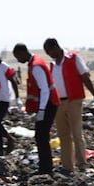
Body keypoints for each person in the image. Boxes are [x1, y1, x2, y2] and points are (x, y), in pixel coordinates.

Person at [43, 38, 94, 173]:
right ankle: (67, 166)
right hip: (58, 103)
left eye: (50, 51)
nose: (49, 54)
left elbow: (84, 76)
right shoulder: (52, 65)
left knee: (76, 133)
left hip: (74, 100)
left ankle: (82, 164)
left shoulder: (73, 58)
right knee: (63, 135)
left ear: (56, 47)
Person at [13, 43, 60, 175]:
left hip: (48, 104)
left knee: (41, 137)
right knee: (41, 137)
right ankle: (45, 167)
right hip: (47, 104)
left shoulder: (35, 66)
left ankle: (45, 169)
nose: (18, 60)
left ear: (22, 52)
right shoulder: (35, 62)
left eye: (17, 56)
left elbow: (44, 89)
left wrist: (41, 110)